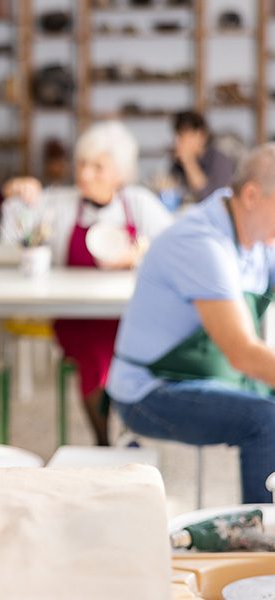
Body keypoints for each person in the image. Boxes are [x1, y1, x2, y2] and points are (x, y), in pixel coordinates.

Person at [108, 144, 275, 504]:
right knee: (268, 420)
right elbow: (243, 354)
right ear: (251, 195)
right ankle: (263, 547)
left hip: (204, 378)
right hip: (150, 391)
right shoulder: (202, 243)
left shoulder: (259, 240)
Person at [0, 121, 173, 445]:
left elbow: (174, 248)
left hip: (129, 315)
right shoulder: (61, 203)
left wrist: (138, 256)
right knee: (95, 353)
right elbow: (13, 232)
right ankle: (105, 440)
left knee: (132, 350)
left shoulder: (137, 203)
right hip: (76, 317)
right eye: (81, 164)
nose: (85, 174)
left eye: (98, 167)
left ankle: (124, 433)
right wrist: (17, 195)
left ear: (120, 173)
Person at [171, 110, 235, 205]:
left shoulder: (219, 161)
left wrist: (189, 162)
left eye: (183, 136)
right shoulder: (177, 164)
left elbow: (212, 201)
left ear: (201, 136)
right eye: (177, 136)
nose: (178, 142)